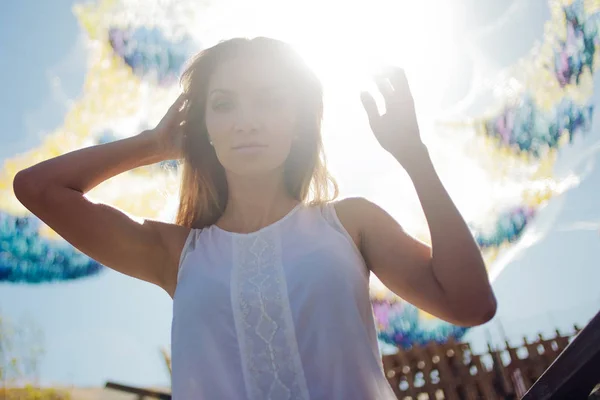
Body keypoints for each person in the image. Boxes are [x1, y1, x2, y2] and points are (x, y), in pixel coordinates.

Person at [13, 37, 497, 399]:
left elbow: (471, 304)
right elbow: (37, 189)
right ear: (203, 127)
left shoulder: (351, 225)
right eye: (224, 104)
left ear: (299, 121)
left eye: (270, 99)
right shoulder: (176, 254)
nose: (248, 120)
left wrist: (414, 156)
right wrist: (154, 145)